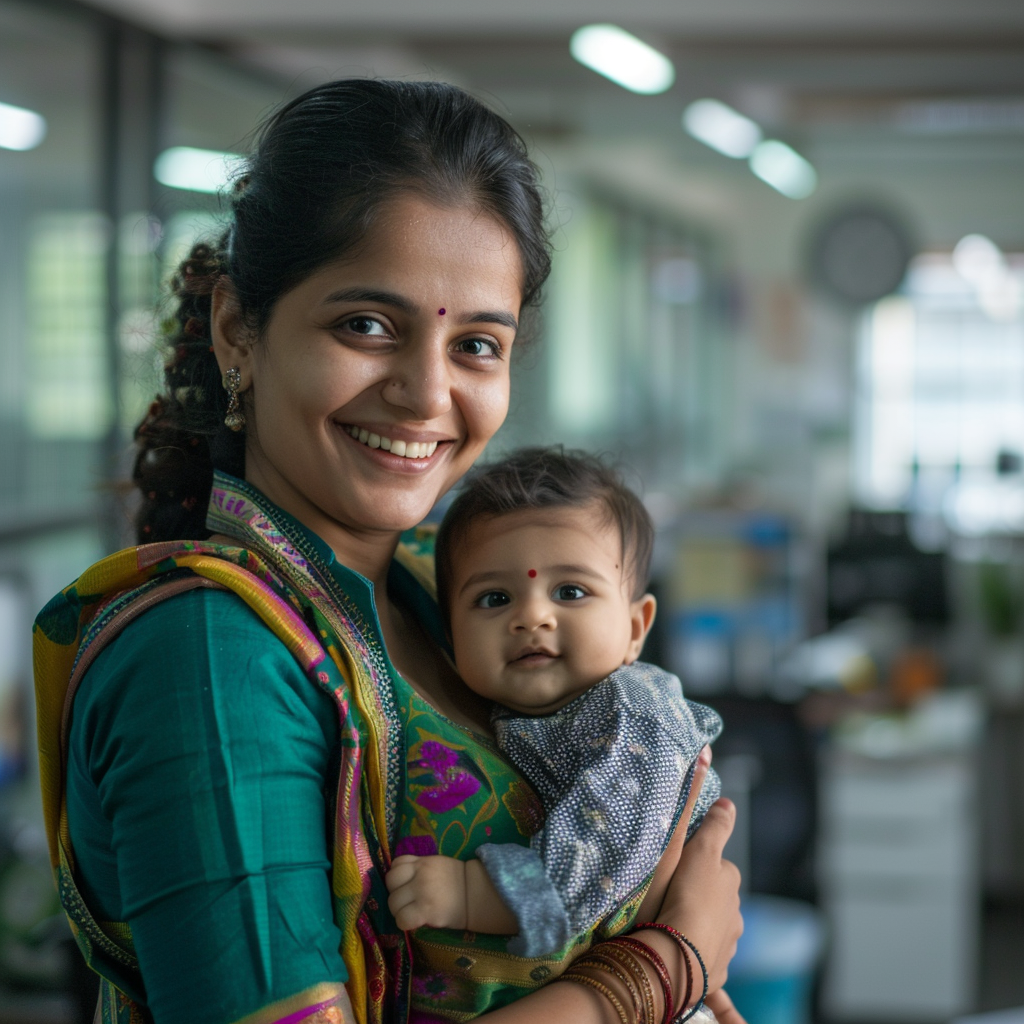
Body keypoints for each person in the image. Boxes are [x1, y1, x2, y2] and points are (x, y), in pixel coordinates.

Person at [32, 79, 743, 1024]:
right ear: (240, 328)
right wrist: (659, 972)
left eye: (478, 345)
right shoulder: (210, 660)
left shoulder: (432, 580)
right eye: (366, 326)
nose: (424, 393)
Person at [384, 447, 723, 958]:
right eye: (494, 599)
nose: (533, 616)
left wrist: (471, 895)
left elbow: (607, 846)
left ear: (635, 629)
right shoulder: (516, 713)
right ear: (451, 636)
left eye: (570, 591)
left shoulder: (634, 709)